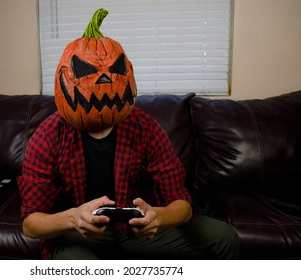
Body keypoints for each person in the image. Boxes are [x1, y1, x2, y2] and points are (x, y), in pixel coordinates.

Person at [17, 8, 239, 260]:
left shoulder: (143, 126)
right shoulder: (49, 135)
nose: (103, 79)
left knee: (223, 237)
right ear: (64, 78)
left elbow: (182, 204)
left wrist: (157, 217)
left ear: (129, 74)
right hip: (79, 235)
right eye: (84, 69)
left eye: (117, 69)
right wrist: (73, 217)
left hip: (132, 232)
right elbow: (30, 223)